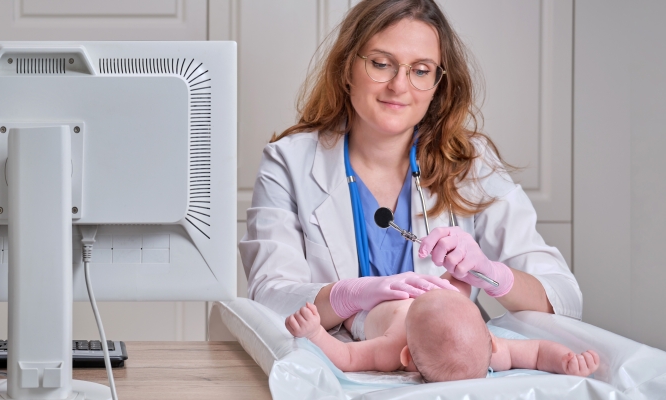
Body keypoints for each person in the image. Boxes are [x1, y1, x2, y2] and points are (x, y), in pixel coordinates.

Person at [239, 0, 581, 329]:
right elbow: (270, 297)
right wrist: (348, 296)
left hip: (447, 377)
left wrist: (491, 273)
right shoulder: (288, 162)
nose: (399, 86)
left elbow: (564, 299)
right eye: (381, 63)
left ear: (437, 84)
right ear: (347, 68)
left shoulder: (469, 162)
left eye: (420, 70)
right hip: (335, 371)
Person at [285, 288, 599, 382]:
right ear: (488, 339)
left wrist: (315, 332)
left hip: (367, 311)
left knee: (349, 314)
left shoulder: (394, 345)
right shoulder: (492, 349)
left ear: (407, 357)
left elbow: (347, 356)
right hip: (393, 293)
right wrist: (565, 361)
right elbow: (539, 352)